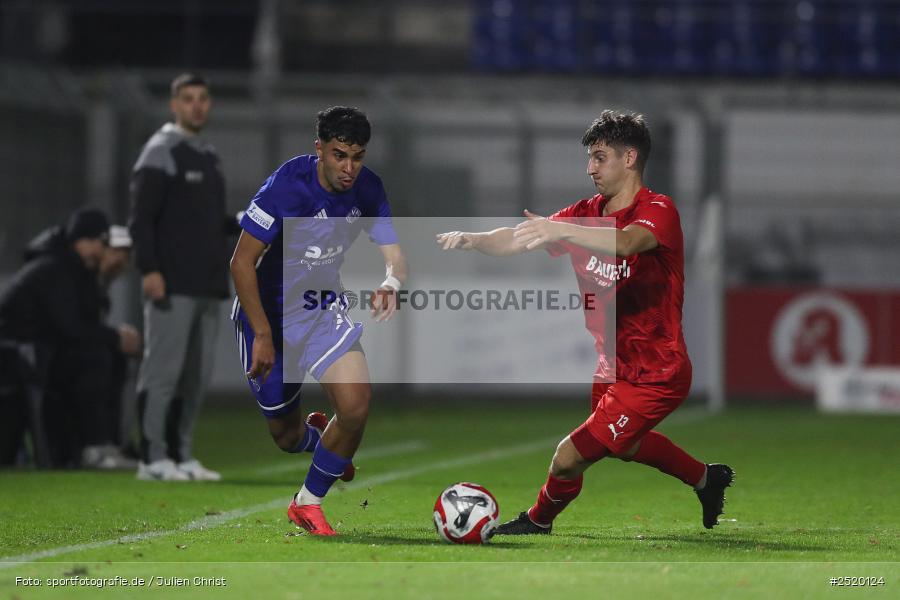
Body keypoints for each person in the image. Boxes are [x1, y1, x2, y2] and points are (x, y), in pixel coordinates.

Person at [437, 110, 733, 534]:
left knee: (569, 455)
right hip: (612, 366)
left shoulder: (659, 210)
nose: (589, 168)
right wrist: (475, 240)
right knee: (626, 446)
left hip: (656, 371)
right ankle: (707, 478)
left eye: (599, 157)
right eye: (589, 158)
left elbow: (628, 242)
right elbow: (523, 237)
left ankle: (538, 521)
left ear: (629, 157)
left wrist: (565, 231)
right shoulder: (585, 212)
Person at [230, 106, 407, 536]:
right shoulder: (286, 186)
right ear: (319, 150)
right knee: (286, 437)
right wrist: (264, 336)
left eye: (357, 157)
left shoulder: (368, 189)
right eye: (339, 155)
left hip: (321, 307)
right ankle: (319, 440)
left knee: (356, 404)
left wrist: (391, 283)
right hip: (269, 314)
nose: (349, 168)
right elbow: (241, 263)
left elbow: (395, 254)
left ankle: (307, 502)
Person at [129, 73, 230, 481]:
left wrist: (246, 224)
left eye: (203, 98)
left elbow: (206, 222)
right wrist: (150, 269)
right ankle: (152, 458)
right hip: (171, 283)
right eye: (188, 99)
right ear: (174, 104)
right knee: (163, 374)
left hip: (206, 283)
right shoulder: (160, 152)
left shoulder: (207, 155)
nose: (197, 106)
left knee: (195, 379)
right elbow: (141, 221)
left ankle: (181, 453)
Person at [0, 208, 141, 467]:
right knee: (95, 356)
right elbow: (70, 328)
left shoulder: (73, 270)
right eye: (103, 243)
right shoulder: (53, 269)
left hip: (39, 356)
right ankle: (95, 447)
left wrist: (113, 338)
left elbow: (78, 327)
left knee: (107, 353)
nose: (106, 251)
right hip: (18, 360)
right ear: (84, 241)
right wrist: (114, 336)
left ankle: (109, 443)